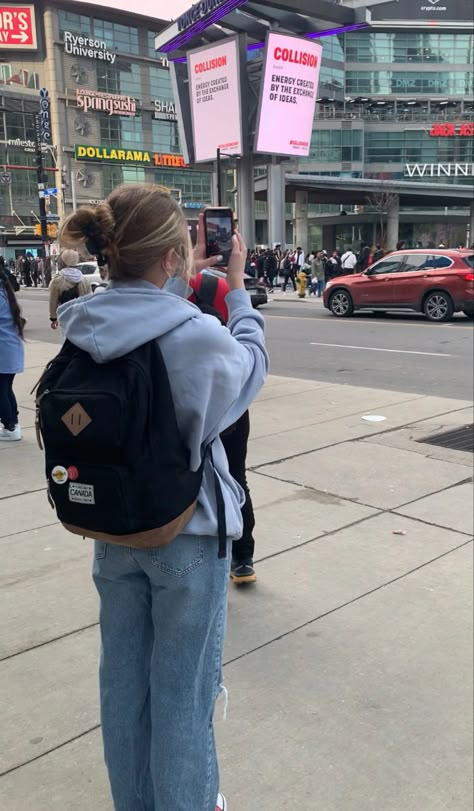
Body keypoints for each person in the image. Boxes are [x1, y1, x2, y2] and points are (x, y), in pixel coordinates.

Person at [57, 184, 268, 811]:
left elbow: (141, 314)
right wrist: (239, 292)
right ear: (173, 258)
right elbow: (250, 367)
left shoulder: (82, 324)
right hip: (186, 533)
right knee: (183, 699)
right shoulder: (198, 333)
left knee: (123, 688)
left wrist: (179, 276)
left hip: (113, 532)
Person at [189, 270, 258, 584]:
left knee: (190, 476)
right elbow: (245, 338)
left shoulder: (172, 286)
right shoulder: (221, 285)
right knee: (236, 477)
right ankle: (242, 558)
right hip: (228, 397)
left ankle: (202, 552)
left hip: (190, 394)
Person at [0, 263, 24, 441]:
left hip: (4, 350)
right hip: (10, 349)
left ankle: (10, 426)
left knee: (2, 390)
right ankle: (13, 423)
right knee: (6, 389)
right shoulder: (5, 292)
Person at [48, 249, 91, 329]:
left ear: (62, 262)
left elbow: (53, 301)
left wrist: (53, 318)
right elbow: (90, 300)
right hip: (82, 316)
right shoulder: (84, 279)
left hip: (66, 316)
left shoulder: (57, 281)